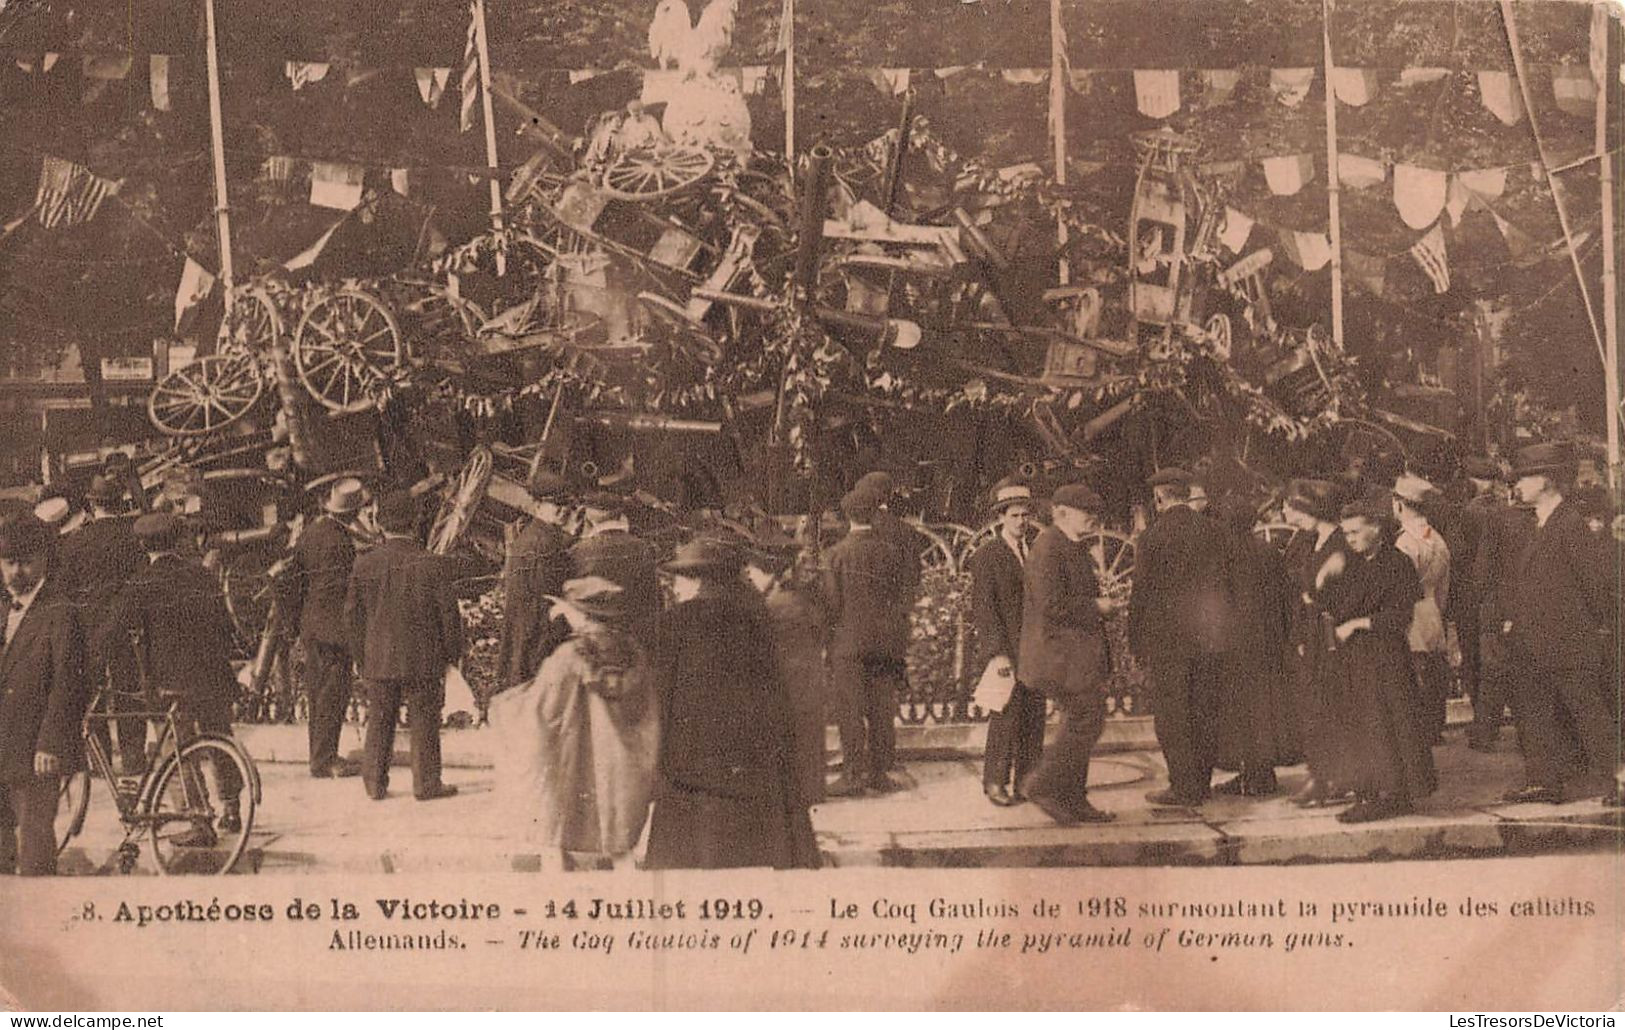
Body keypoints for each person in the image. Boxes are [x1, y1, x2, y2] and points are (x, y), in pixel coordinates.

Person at [645, 537, 818, 870]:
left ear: (697, 580)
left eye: (680, 578)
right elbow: (776, 696)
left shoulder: (674, 623)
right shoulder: (756, 619)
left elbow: (662, 698)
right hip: (753, 769)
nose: (676, 587)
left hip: (691, 771)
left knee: (690, 862)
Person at [491, 575, 659, 871]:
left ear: (581, 614)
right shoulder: (633, 653)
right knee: (621, 851)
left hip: (572, 767)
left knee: (556, 844)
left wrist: (503, 706)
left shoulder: (568, 656)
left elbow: (541, 710)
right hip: (619, 767)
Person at [102, 512, 243, 843]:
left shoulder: (140, 583)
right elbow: (225, 626)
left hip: (170, 684)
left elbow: (112, 633)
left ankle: (198, 819)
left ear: (141, 545)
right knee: (221, 740)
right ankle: (233, 808)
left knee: (177, 750)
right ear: (178, 540)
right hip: (213, 678)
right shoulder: (203, 576)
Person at [1500, 443, 1618, 805]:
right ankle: (1543, 781)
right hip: (1535, 642)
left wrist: (1595, 632)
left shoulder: (1569, 524)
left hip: (1568, 642)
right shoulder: (1537, 522)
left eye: (1525, 477)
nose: (1517, 484)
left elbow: (1595, 584)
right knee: (1535, 713)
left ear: (1547, 481)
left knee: (1589, 713)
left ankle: (1621, 779)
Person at [1321, 494, 1435, 823]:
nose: (1350, 538)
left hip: (1386, 657)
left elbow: (1399, 617)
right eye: (1346, 533)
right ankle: (1372, 791)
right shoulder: (1352, 563)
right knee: (1366, 725)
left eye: (1356, 532)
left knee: (1386, 724)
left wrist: (1358, 623)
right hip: (1357, 658)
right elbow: (1331, 603)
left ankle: (1391, 794)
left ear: (1376, 528)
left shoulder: (1396, 564)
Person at [345, 491, 462, 802]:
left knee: (379, 720)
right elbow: (449, 616)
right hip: (423, 659)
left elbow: (352, 618)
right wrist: (452, 655)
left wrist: (361, 657)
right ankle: (426, 784)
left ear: (380, 524)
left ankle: (374, 783)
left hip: (379, 659)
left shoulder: (364, 565)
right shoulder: (433, 564)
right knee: (425, 720)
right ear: (416, 522)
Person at [1017, 483, 1121, 824]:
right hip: (1059, 655)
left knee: (1086, 719)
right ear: (1061, 512)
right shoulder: (1049, 546)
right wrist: (1096, 606)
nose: (1093, 518)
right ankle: (1043, 785)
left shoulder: (1070, 545)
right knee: (1086, 720)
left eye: (1095, 513)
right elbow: (1051, 605)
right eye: (1086, 512)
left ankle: (1074, 799)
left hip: (1073, 655)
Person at [1129, 467, 1228, 807]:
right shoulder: (1215, 532)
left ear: (1160, 497)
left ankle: (1182, 787)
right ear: (1187, 494)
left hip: (1168, 642)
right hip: (1209, 638)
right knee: (1204, 710)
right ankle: (1201, 783)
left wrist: (1136, 643)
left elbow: (1141, 594)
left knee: (1173, 716)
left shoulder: (1152, 538)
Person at [0, 514, 87, 875]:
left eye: (25, 562)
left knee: (35, 849)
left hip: (36, 753)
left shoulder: (61, 612)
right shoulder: (4, 609)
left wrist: (50, 742)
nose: (16, 572)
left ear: (44, 560)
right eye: (8, 563)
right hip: (3, 747)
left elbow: (69, 682)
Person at [822, 489, 912, 796]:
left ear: (848, 517)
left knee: (850, 710)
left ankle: (853, 773)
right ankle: (879, 773)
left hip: (848, 644)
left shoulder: (835, 555)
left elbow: (831, 605)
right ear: (874, 514)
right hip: (884, 643)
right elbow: (902, 599)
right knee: (881, 710)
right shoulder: (891, 552)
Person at [58, 474, 146, 775]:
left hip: (88, 631)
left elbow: (65, 593)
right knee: (129, 693)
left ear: (93, 506)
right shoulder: (135, 537)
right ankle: (135, 759)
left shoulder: (75, 542)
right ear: (120, 505)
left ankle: (100, 760)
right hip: (127, 628)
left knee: (91, 693)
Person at [1211, 495, 1297, 796]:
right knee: (1264, 709)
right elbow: (1286, 598)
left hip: (1235, 646)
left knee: (1239, 712)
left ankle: (1251, 774)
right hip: (1268, 643)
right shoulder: (1268, 551)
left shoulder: (1222, 555)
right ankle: (1263, 772)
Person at [283, 478, 367, 779]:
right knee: (333, 694)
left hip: (312, 626)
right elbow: (346, 590)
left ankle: (319, 755)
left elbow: (297, 581)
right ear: (351, 513)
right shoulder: (342, 542)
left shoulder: (310, 534)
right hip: (334, 630)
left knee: (318, 694)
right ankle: (325, 759)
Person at [967, 476, 1042, 807]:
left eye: (1025, 515)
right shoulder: (988, 555)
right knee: (1005, 716)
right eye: (1014, 515)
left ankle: (1027, 780)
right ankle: (995, 782)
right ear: (1001, 518)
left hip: (1035, 647)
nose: (1021, 521)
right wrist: (996, 653)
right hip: (1007, 651)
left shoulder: (1036, 550)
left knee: (1034, 716)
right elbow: (984, 609)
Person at [1279, 478, 1354, 806]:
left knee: (1330, 707)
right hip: (1310, 634)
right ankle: (1324, 775)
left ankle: (1328, 778)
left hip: (1332, 636)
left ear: (1311, 509)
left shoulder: (1340, 543)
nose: (1287, 512)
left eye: (1293, 506)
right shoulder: (1308, 541)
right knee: (1315, 707)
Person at [746, 543, 828, 808]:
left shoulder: (773, 604)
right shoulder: (799, 596)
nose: (750, 575)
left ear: (769, 572)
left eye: (755, 570)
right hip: (809, 675)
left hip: (788, 678)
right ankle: (811, 790)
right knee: (809, 735)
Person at [1460, 457, 1529, 751]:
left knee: (1493, 670)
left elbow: (1481, 568)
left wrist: (1476, 600)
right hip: (1527, 603)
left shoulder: (1483, 515)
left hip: (1494, 603)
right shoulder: (1530, 517)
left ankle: (1484, 732)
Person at [496, 467, 575, 692]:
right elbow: (546, 602)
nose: (563, 511)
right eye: (556, 505)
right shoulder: (546, 544)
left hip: (524, 639)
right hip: (539, 643)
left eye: (566, 505)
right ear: (538, 506)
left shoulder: (530, 537)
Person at [1391, 473, 1452, 745]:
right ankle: (1433, 727)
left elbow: (1398, 587)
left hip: (1411, 614)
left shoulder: (1404, 543)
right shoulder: (1436, 539)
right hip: (1432, 611)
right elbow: (1443, 588)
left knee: (1413, 674)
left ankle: (1417, 730)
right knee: (1434, 672)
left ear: (1400, 505)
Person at [570, 492, 661, 635]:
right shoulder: (643, 547)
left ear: (589, 517)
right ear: (620, 514)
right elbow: (655, 601)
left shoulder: (578, 551)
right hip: (635, 634)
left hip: (593, 636)